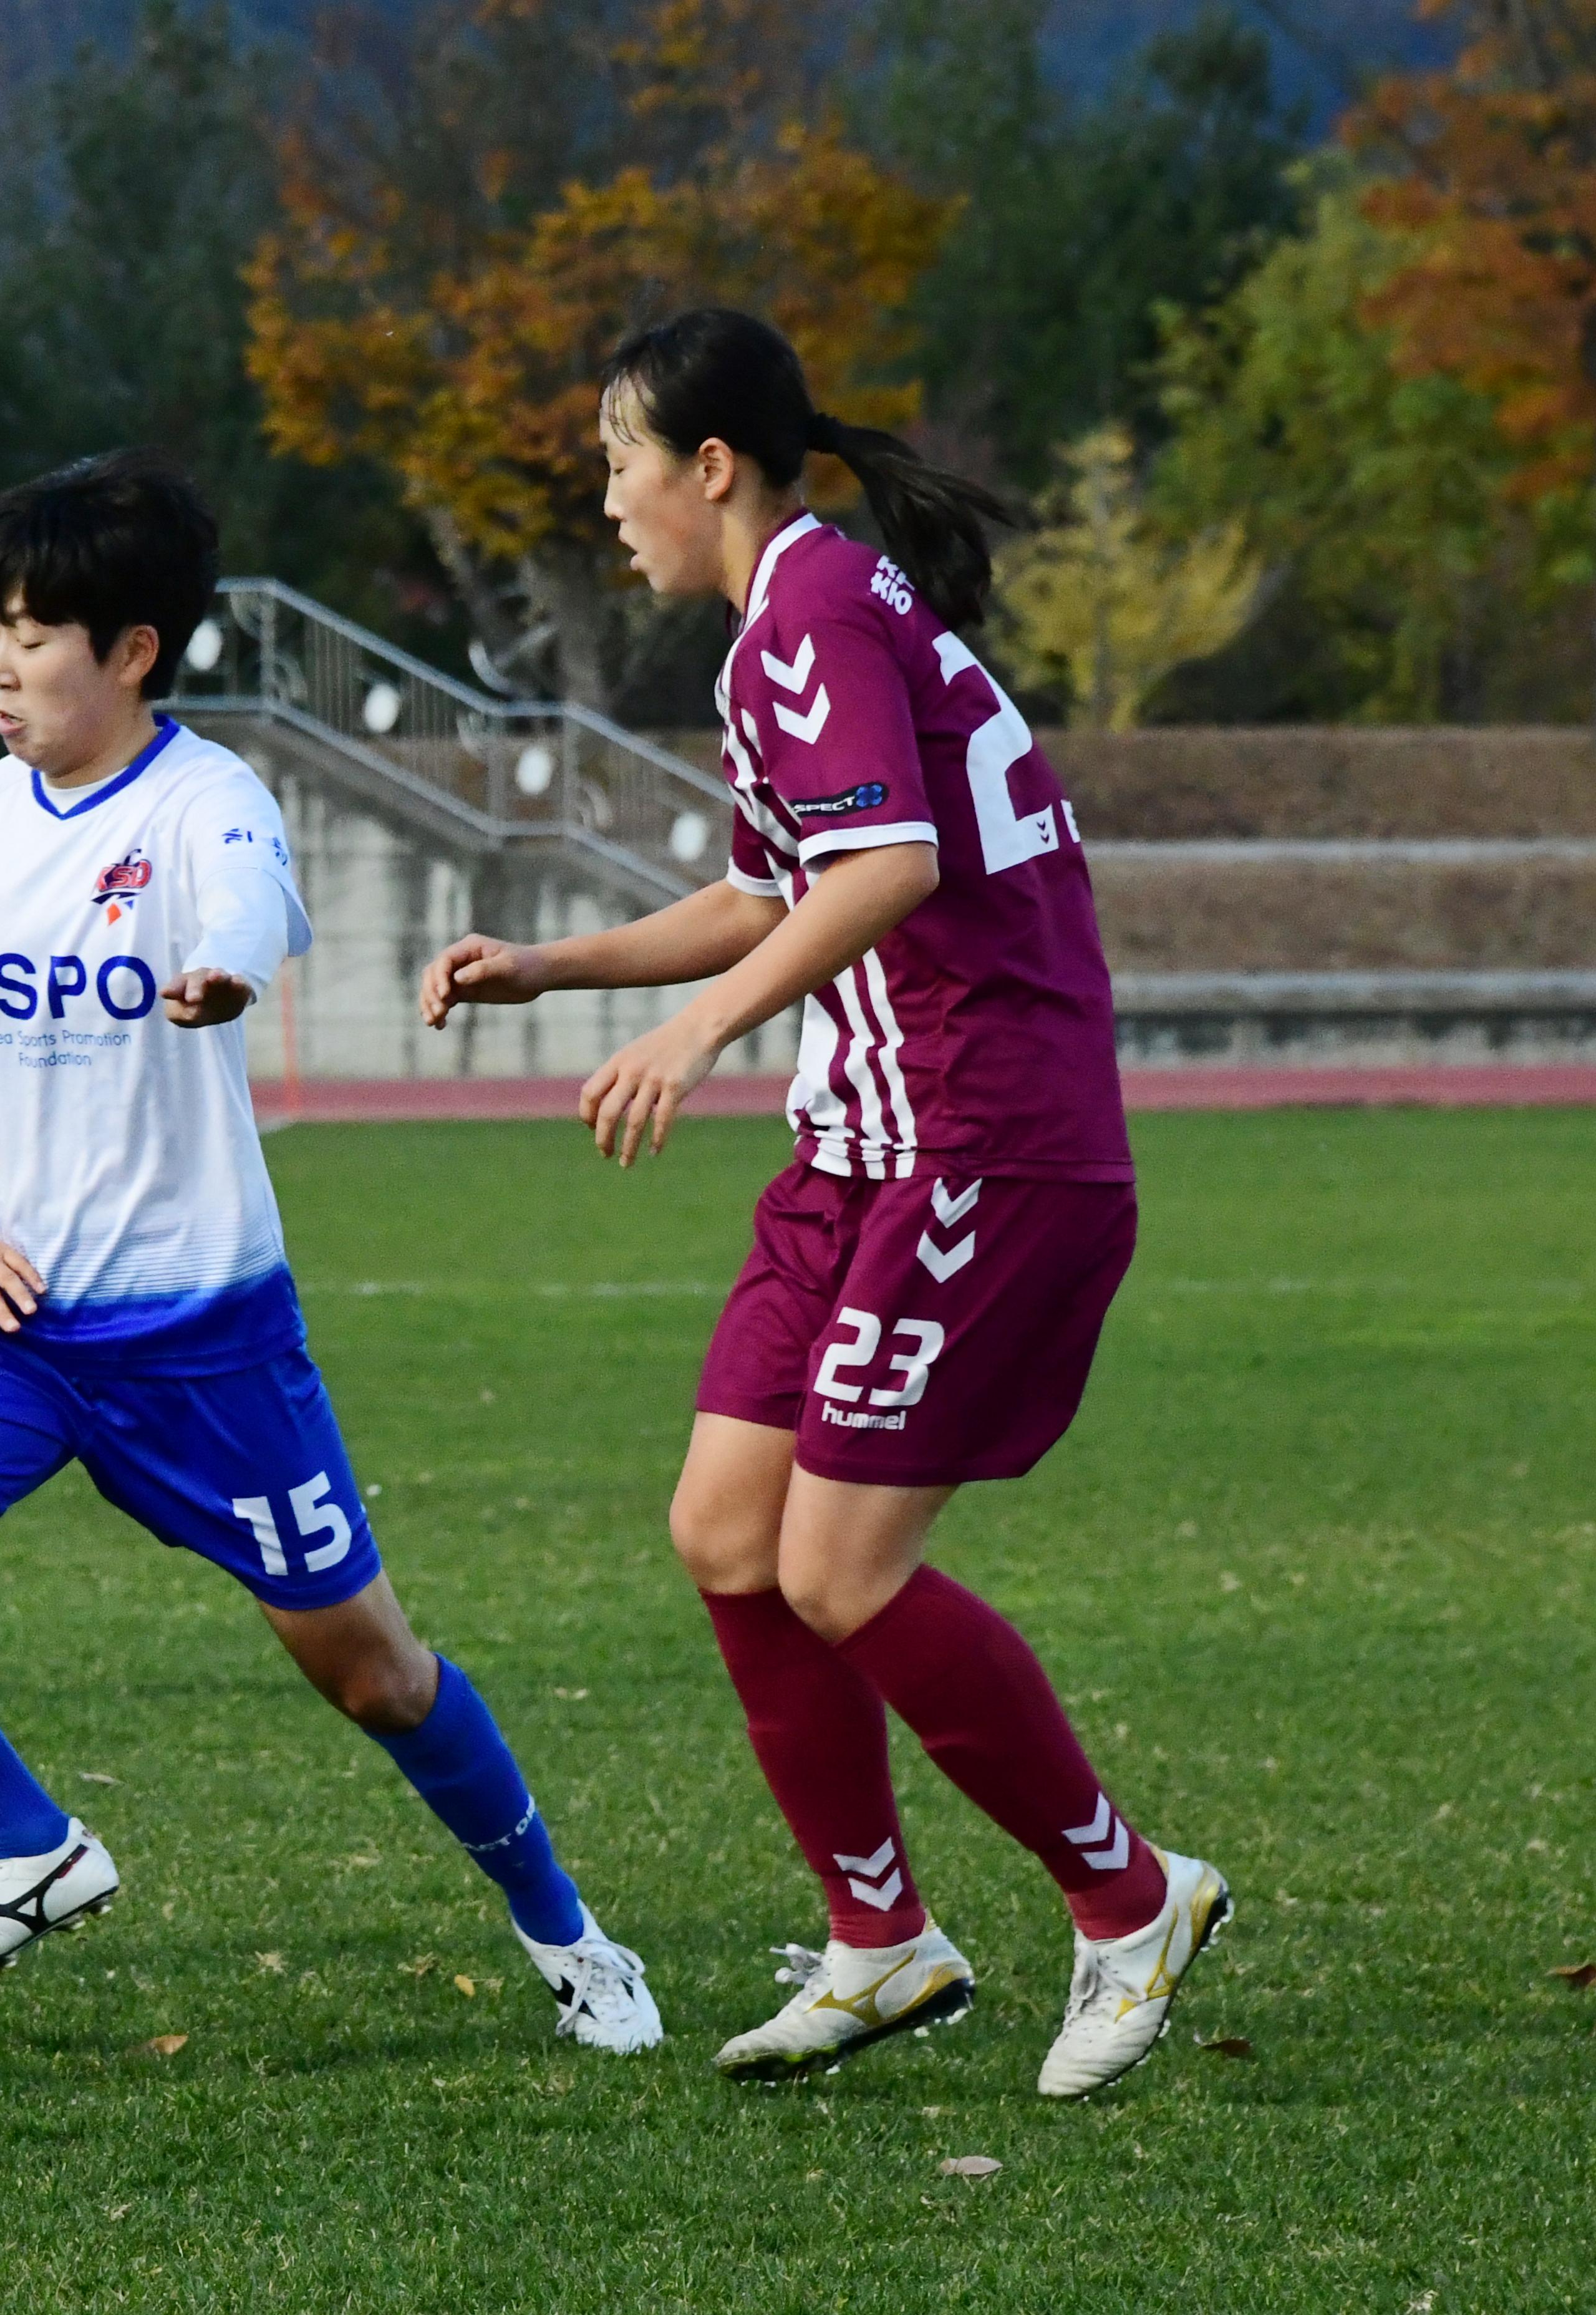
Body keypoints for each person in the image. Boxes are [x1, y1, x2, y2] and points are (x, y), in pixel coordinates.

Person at [0, 451, 667, 2054]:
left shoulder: (206, 802)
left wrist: (226, 975)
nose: (0, 662)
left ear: (133, 654)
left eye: (35, 632)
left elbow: (246, 910)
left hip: (204, 1346)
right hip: (13, 1331)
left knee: (374, 1675)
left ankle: (572, 1936)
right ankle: (33, 1842)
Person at [415, 308, 1227, 2099]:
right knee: (727, 1531)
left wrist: (701, 1033)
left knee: (838, 1568)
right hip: (863, 1144)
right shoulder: (804, 616)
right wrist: (556, 967)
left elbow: (888, 867)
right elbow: (769, 887)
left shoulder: (813, 615)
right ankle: (881, 1942)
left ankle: (1132, 1897)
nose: (610, 502)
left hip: (976, 1140)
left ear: (710, 466)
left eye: (622, 464)